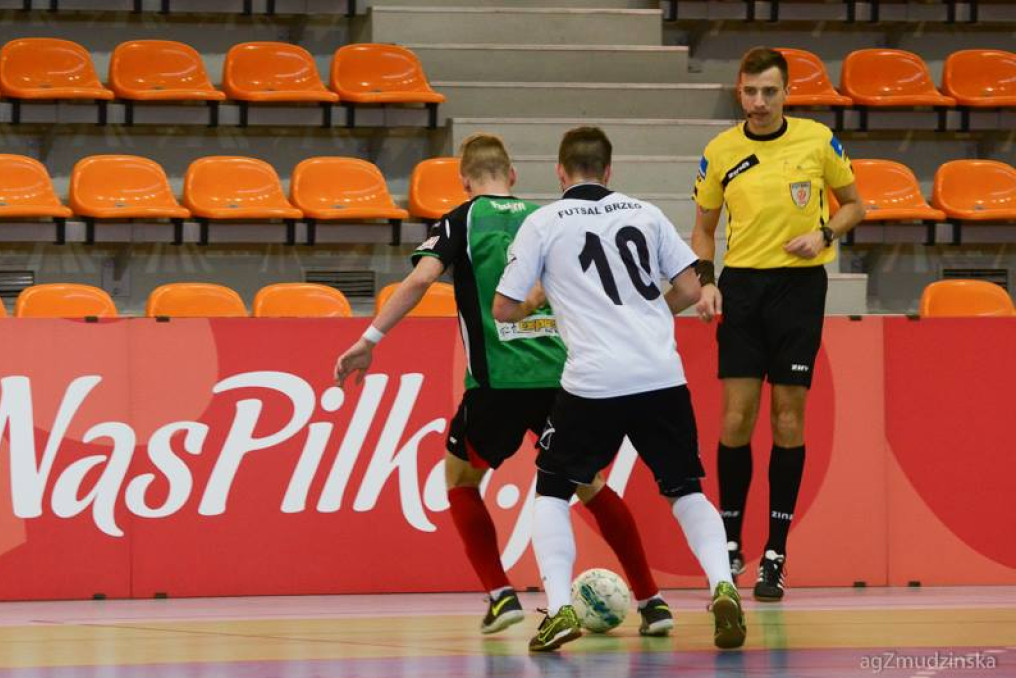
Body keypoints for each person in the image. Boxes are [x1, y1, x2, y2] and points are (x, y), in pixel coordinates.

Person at [335, 133, 675, 638]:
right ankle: (652, 602)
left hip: (497, 385)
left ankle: (500, 597)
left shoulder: (460, 219)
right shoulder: (548, 217)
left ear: (464, 180)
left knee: (460, 479)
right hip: (565, 381)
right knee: (589, 484)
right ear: (513, 176)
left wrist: (369, 338)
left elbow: (420, 279)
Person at [493, 126, 746, 653]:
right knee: (685, 489)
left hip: (594, 380)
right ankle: (723, 585)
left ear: (560, 172)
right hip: (660, 372)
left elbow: (503, 308)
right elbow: (691, 289)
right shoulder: (646, 212)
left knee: (554, 490)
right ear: (610, 172)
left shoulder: (543, 222)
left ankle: (559, 608)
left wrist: (542, 297)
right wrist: (646, 314)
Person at [690, 47, 866, 602]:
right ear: (739, 93)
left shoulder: (817, 141)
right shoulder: (720, 151)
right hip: (741, 289)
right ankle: (731, 543)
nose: (759, 101)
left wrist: (825, 234)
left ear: (787, 92)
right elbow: (703, 226)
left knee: (789, 420)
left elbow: (855, 205)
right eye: (750, 91)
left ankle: (775, 552)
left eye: (770, 91)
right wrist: (707, 279)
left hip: (799, 288)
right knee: (735, 419)